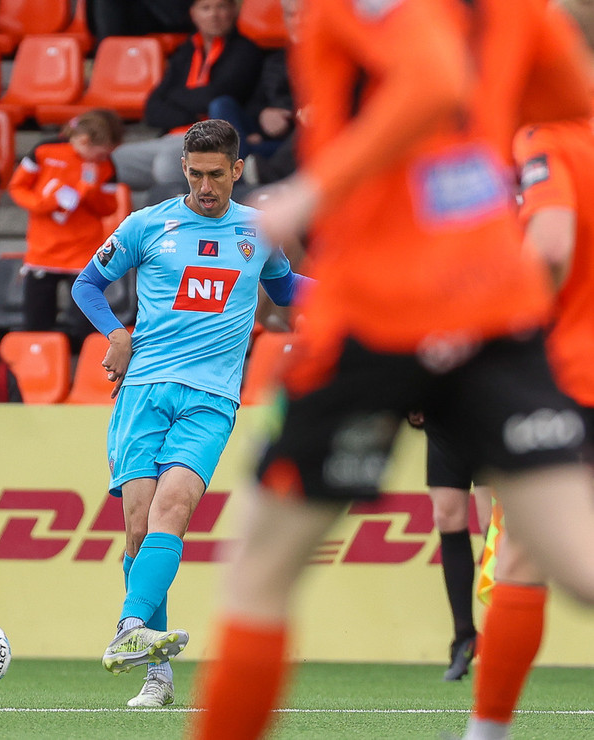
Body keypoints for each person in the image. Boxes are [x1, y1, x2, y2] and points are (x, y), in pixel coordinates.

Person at [188, 0, 594, 737]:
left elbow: (433, 77)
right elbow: (570, 95)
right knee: (578, 559)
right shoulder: (517, 8)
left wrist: (315, 189)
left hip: (377, 313)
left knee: (259, 568)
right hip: (496, 306)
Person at [72, 119, 310, 709]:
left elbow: (286, 291)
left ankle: (130, 628)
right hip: (143, 391)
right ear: (184, 168)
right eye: (196, 174)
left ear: (237, 170)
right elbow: (86, 286)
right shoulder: (146, 225)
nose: (205, 187)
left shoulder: (258, 232)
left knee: (173, 506)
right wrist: (117, 334)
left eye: (217, 175)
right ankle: (157, 672)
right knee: (138, 525)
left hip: (212, 399)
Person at [464, 1, 594, 735]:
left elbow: (550, 247)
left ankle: (487, 733)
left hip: (573, 377)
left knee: (522, 557)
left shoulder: (552, 136)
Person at [110, 0, 264, 200]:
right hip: (172, 136)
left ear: (233, 11)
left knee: (167, 163)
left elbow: (216, 96)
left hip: (210, 141)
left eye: (221, 7)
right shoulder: (185, 51)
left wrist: (175, 97)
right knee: (116, 159)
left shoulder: (246, 51)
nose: (214, 14)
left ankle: (182, 215)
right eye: (206, 8)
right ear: (193, 14)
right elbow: (153, 108)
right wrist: (194, 112)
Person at [8, 109, 124, 352]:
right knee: (37, 323)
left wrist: (90, 191)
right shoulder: (44, 150)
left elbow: (109, 207)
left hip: (82, 254)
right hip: (43, 251)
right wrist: (45, 203)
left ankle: (84, 366)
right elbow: (17, 188)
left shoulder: (106, 165)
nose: (103, 158)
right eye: (101, 153)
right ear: (84, 141)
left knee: (84, 324)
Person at [409, 412, 492, 682]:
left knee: (493, 524)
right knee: (446, 517)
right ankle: (464, 637)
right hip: (444, 417)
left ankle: (502, 633)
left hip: (490, 414)